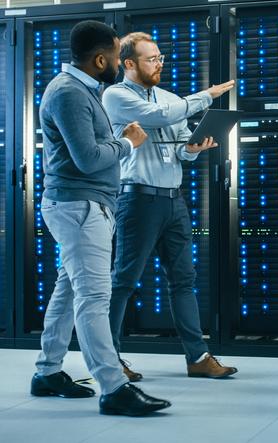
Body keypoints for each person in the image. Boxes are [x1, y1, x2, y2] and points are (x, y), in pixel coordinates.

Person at [30, 20, 171, 416]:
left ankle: (47, 371)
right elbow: (89, 160)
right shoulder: (70, 93)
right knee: (94, 297)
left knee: (69, 291)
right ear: (98, 59)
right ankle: (114, 387)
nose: (118, 63)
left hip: (84, 206)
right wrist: (127, 142)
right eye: (114, 56)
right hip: (79, 207)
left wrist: (116, 140)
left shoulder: (82, 90)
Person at [103, 32, 237, 381]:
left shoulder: (168, 97)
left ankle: (198, 358)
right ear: (129, 63)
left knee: (183, 280)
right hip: (137, 200)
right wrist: (206, 96)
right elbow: (161, 117)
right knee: (124, 281)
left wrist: (192, 149)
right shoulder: (116, 95)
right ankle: (110, 359)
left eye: (161, 57)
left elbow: (176, 143)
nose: (159, 64)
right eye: (152, 59)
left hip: (173, 201)